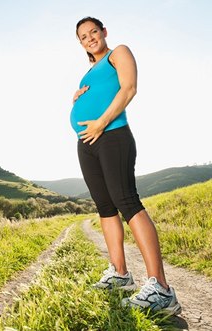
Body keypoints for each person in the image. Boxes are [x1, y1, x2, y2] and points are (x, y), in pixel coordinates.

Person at [71, 16, 182, 315]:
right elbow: (92, 99)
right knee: (105, 208)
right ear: (80, 43)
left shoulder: (117, 53)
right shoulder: (87, 74)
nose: (90, 37)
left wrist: (101, 123)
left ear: (104, 32)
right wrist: (76, 99)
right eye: (84, 36)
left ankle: (161, 288)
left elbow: (129, 88)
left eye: (94, 31)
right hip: (88, 142)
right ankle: (120, 274)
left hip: (112, 135)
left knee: (127, 201)